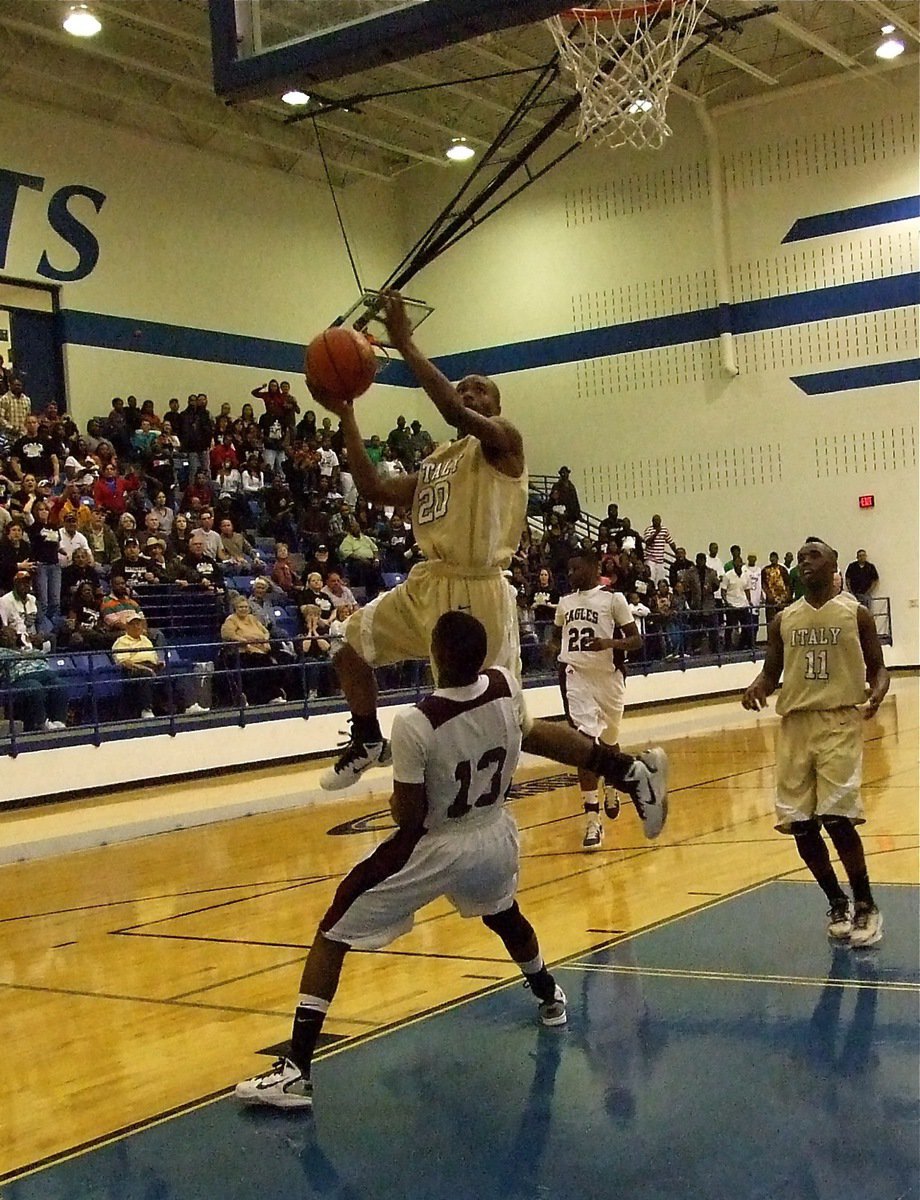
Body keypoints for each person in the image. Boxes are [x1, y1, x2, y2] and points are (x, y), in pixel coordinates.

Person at [306, 291, 667, 818]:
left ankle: (630, 771)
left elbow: (450, 408)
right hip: (427, 585)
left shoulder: (504, 444)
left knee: (515, 725)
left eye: (481, 390)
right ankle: (366, 738)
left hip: (478, 594)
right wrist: (347, 413)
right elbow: (373, 488)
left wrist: (404, 344)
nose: (469, 393)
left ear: (496, 409)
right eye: (464, 387)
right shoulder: (436, 461)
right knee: (349, 649)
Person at [235, 612, 569, 1111]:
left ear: (435, 655)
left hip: (438, 842)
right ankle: (549, 995)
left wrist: (398, 797)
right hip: (495, 830)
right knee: (502, 912)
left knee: (332, 933)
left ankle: (296, 1072)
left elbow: (410, 818)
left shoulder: (415, 721)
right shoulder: (504, 682)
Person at [742, 537, 889, 947]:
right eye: (802, 557)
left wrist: (876, 693)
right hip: (795, 726)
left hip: (839, 718)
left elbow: (879, 669)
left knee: (838, 818)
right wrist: (758, 684)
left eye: (814, 556)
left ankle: (866, 905)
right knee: (801, 824)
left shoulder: (855, 614)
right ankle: (836, 901)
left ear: (833, 565)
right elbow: (772, 674)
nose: (805, 562)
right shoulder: (784, 619)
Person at [552, 550, 663, 850]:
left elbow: (637, 640)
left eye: (575, 568)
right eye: (569, 569)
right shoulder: (565, 603)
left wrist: (608, 643)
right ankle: (592, 821)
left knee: (610, 742)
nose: (571, 574)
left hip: (609, 677)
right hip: (576, 675)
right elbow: (555, 634)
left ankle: (612, 780)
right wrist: (553, 649)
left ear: (592, 567)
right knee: (584, 744)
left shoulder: (613, 600)